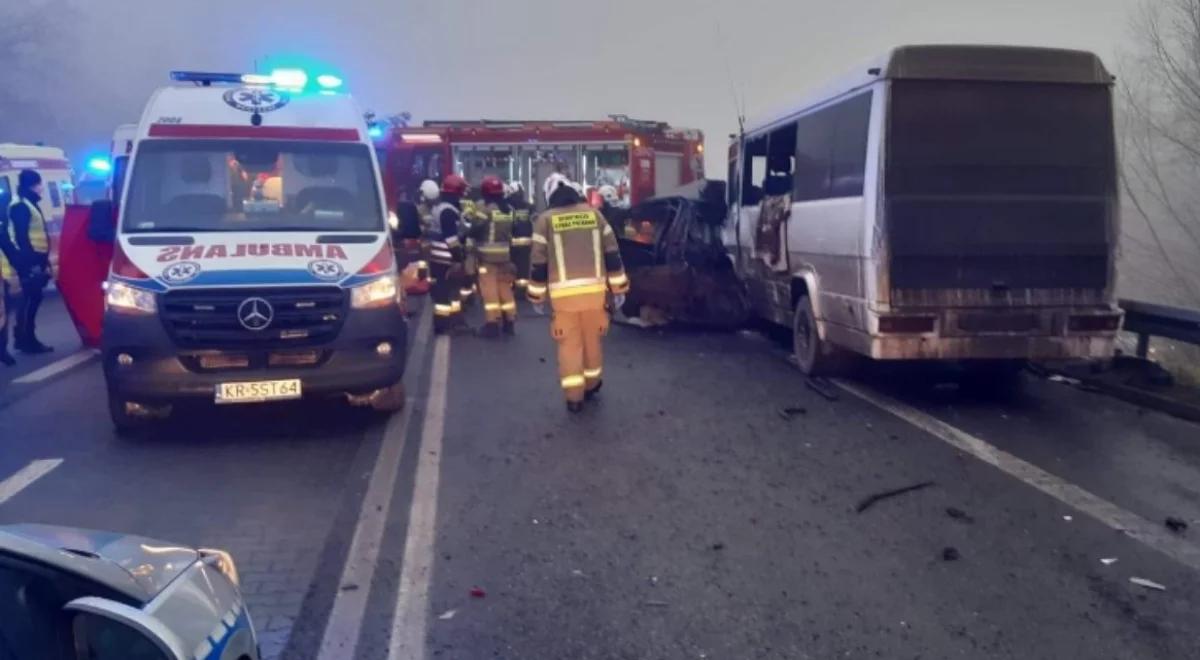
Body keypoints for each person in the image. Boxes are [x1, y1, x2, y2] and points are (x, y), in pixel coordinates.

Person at [527, 174, 629, 413]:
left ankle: (575, 398)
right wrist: (619, 289)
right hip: (595, 295)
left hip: (564, 299)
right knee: (592, 341)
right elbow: (612, 254)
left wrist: (537, 296)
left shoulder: (545, 220)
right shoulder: (595, 215)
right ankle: (592, 385)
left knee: (570, 346)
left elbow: (538, 263)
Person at [2, 170, 53, 354]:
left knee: (33, 298)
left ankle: (25, 337)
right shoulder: (21, 206)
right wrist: (29, 263)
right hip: (27, 261)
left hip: (35, 260)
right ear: (34, 184)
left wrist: (44, 260)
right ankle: (25, 339)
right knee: (29, 299)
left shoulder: (29, 203)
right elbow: (22, 236)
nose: (42, 187)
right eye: (40, 183)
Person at [469, 176, 519, 336]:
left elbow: (476, 228)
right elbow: (515, 230)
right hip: (505, 256)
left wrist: (466, 235)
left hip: (487, 257)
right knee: (505, 288)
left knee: (489, 290)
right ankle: (509, 321)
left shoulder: (486, 209)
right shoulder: (510, 209)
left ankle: (492, 323)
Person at [427, 175, 471, 334]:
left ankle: (452, 322)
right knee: (445, 293)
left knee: (448, 292)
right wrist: (458, 257)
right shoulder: (448, 211)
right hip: (446, 258)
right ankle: (444, 325)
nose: (464, 193)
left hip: (439, 257)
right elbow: (451, 238)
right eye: (462, 190)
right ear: (457, 191)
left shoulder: (443, 208)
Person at [507, 181, 534, 292]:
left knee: (509, 267)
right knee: (523, 269)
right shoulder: (529, 207)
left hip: (509, 243)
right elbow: (535, 222)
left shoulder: (506, 206)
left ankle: (508, 288)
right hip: (525, 244)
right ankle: (522, 291)